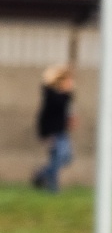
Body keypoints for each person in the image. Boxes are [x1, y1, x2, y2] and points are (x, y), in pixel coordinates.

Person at [31, 65, 75, 193]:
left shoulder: (64, 96)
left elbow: (65, 111)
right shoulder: (52, 96)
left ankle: (42, 175)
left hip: (61, 131)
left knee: (65, 158)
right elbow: (45, 117)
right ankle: (50, 185)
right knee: (58, 158)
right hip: (53, 133)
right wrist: (46, 135)